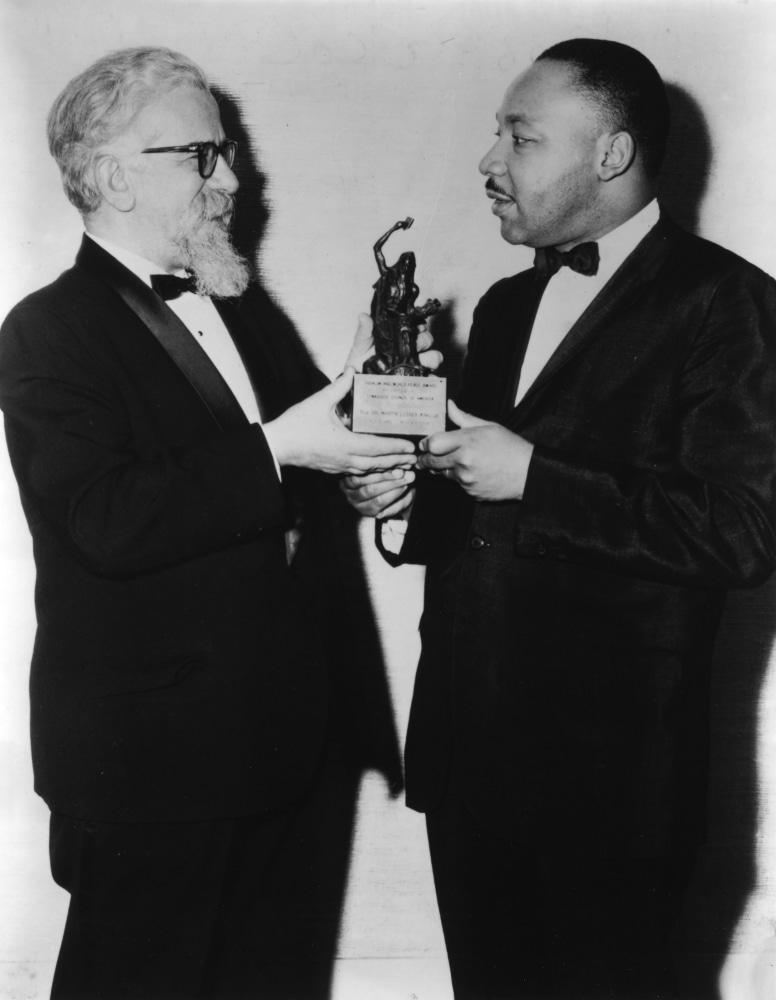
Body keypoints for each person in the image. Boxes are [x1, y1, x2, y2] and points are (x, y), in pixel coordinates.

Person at [0, 46, 440, 1000]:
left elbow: (279, 477)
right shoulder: (47, 329)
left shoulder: (238, 302)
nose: (232, 180)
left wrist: (364, 424)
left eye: (228, 153)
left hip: (282, 745)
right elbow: (102, 519)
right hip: (151, 768)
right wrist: (287, 446)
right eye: (204, 157)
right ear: (114, 175)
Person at [343, 38, 776, 999]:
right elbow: (476, 519)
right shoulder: (502, 306)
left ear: (612, 155)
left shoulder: (728, 304)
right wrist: (408, 504)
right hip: (467, 769)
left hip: (607, 793)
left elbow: (743, 531)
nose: (489, 162)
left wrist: (535, 475)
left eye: (520, 138)